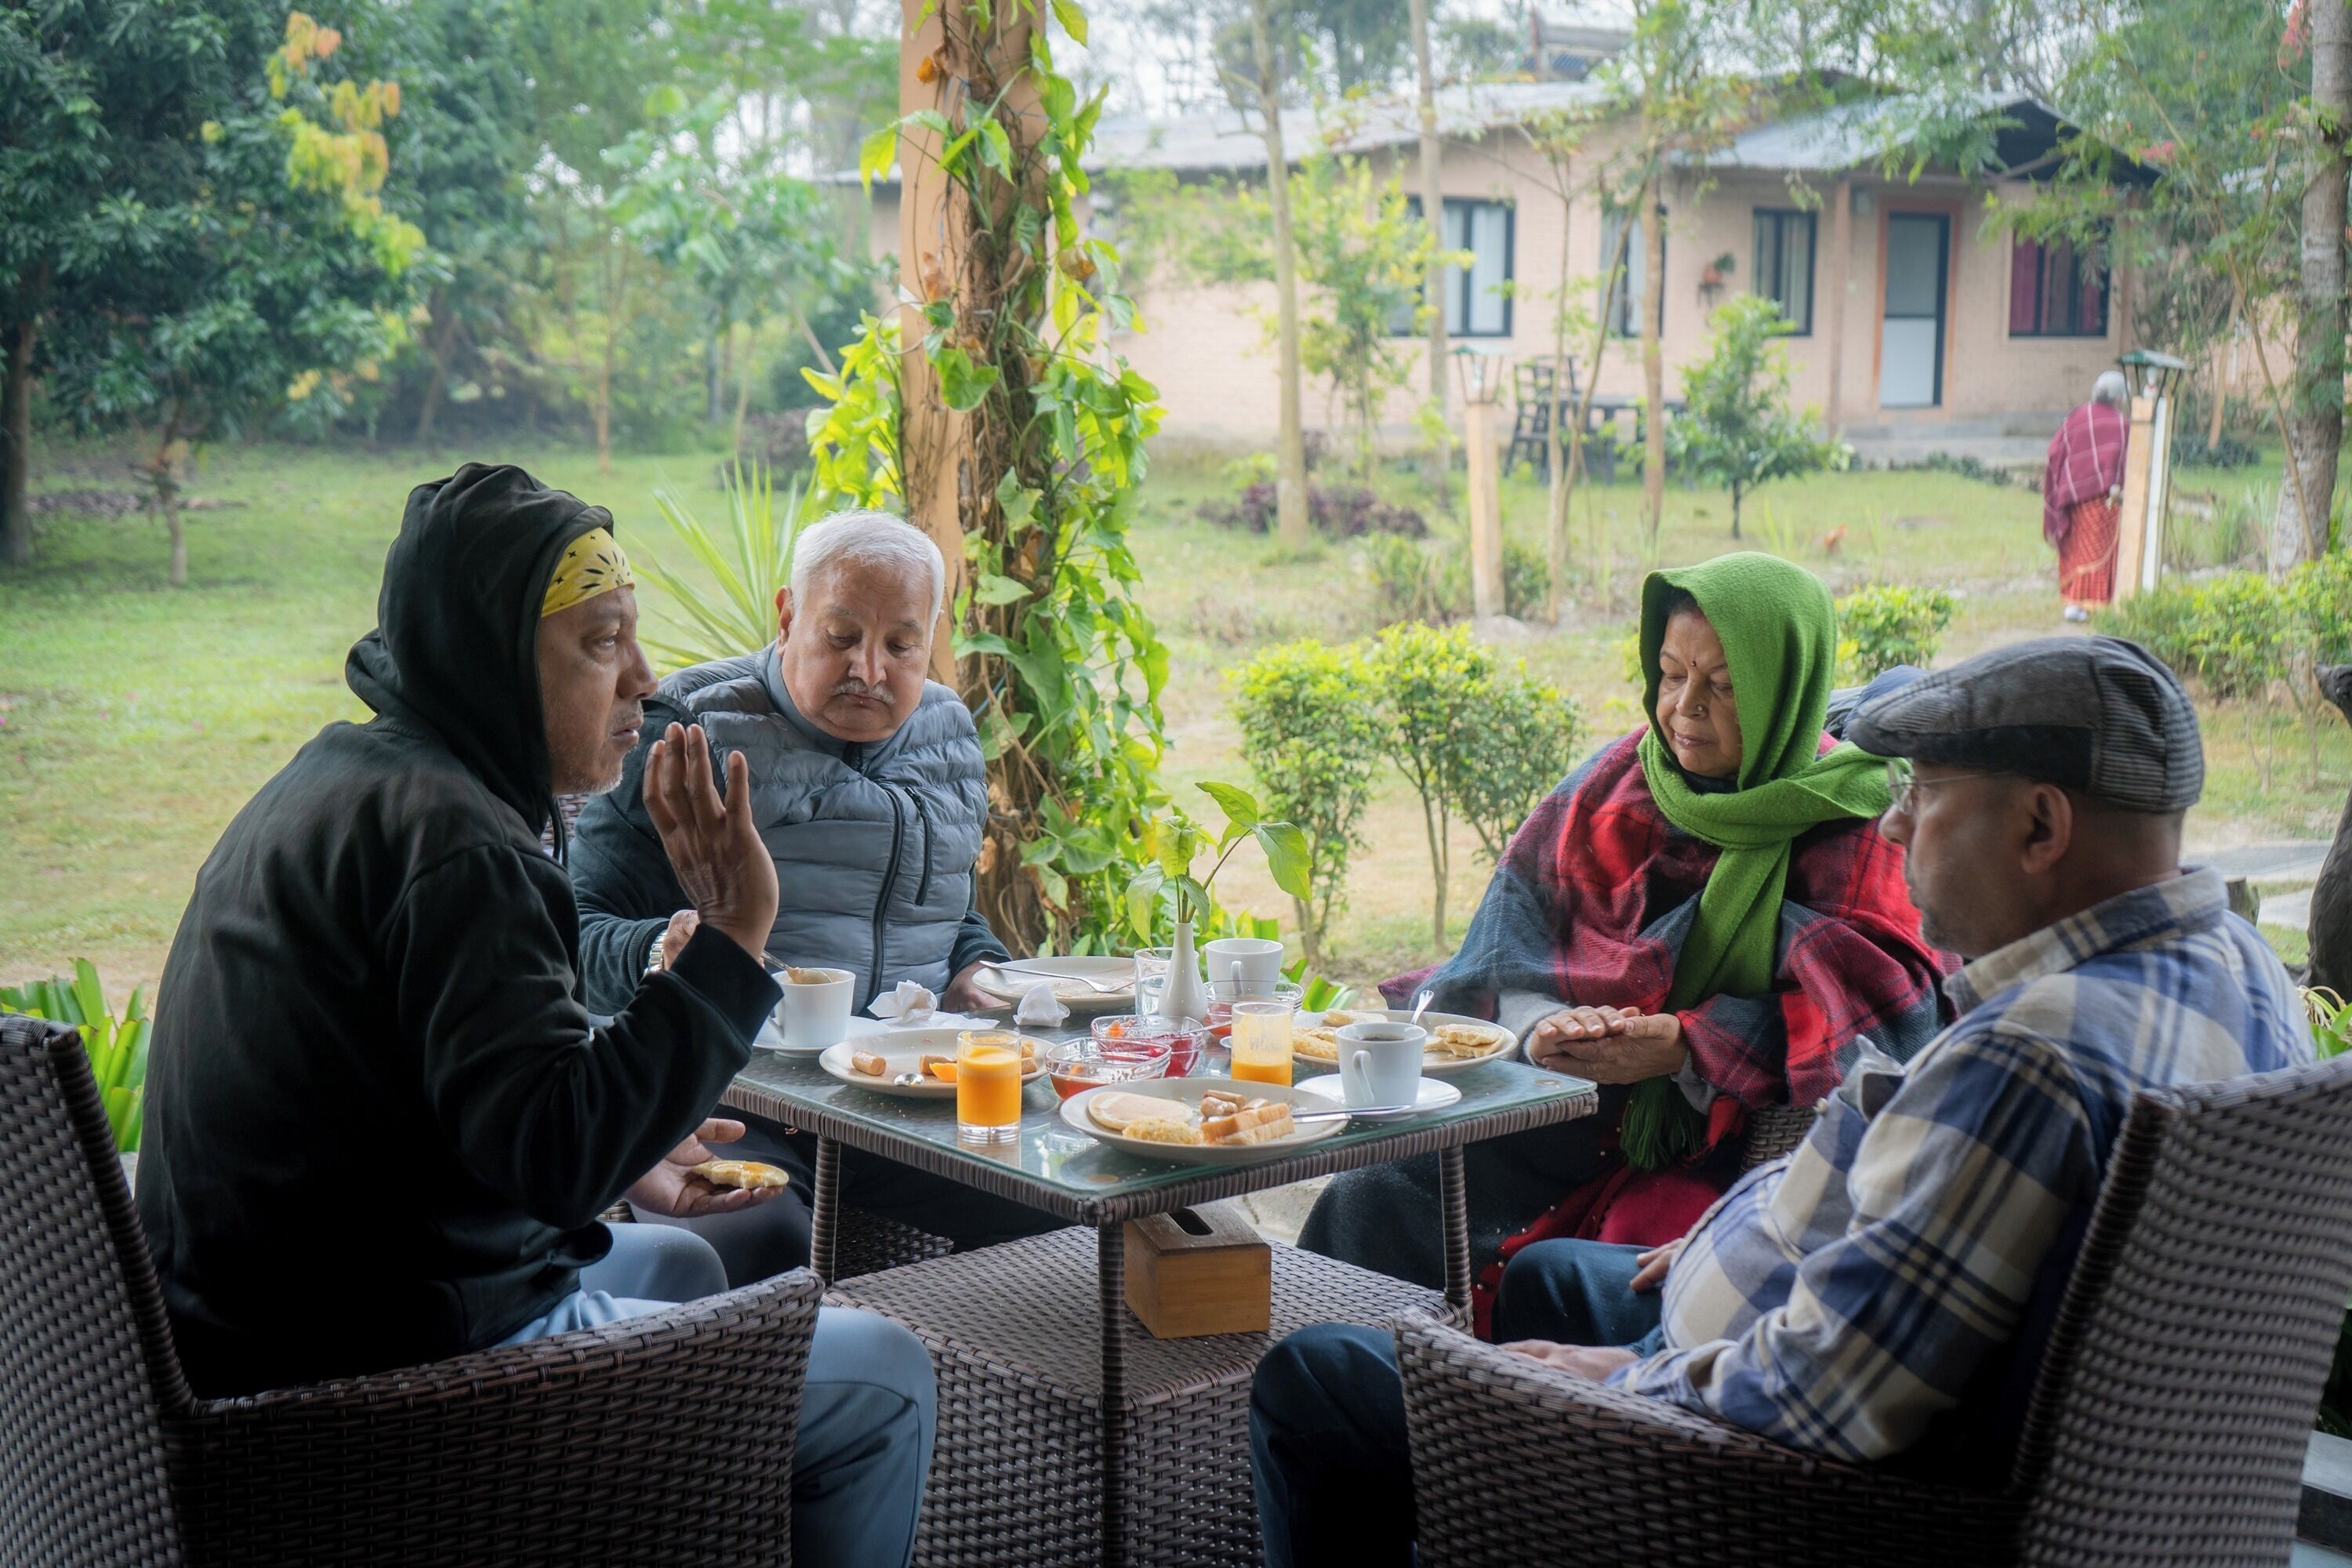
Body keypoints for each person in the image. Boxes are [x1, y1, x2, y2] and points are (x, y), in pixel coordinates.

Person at [1250, 634, 2314, 1567]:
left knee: (1315, 1379)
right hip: (1900, 1379)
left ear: (2042, 825)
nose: (1894, 827)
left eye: (1925, 791)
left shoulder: (2036, 1059)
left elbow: (1830, 1398)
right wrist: (1734, 1231)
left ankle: (1526, 1489)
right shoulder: (2241, 969)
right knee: (1548, 1277)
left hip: (1782, 1494)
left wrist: (1614, 1381)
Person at [136, 463, 935, 1567]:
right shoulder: (459, 846)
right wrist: (740, 933)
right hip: (376, 1392)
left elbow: (457, 1103)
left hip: (266, 1335)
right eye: (603, 645)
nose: (646, 685)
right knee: (887, 1374)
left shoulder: (349, 782)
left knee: (684, 1268)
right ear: (494, 657)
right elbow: (552, 1154)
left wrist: (628, 1154)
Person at [1298, 553, 1951, 1327]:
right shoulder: (1615, 782)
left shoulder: (1859, 818)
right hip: (1554, 1110)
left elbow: (1889, 1020)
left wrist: (1687, 1043)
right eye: (1671, 673)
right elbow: (1510, 940)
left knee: (1592, 1275)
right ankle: (1376, 1417)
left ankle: (1489, 1424)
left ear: (1786, 688)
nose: (1684, 707)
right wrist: (1545, 1024)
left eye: (1724, 684)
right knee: (1369, 1196)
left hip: (1725, 1146)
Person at [568, 506, 1056, 1282]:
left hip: (914, 1098)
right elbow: (573, 932)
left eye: (902, 644)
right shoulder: (685, 730)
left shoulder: (948, 731)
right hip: (740, 1104)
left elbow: (945, 906)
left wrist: (974, 965)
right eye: (841, 637)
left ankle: (987, 1393)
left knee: (1083, 1208)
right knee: (760, 1258)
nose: (871, 668)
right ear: (789, 615)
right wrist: (664, 949)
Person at [2044, 370, 2131, 621]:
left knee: (2079, 550)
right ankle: (2082, 603)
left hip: (2072, 498)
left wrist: (2063, 484)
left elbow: (2055, 453)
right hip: (2104, 502)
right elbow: (2126, 464)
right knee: (2094, 552)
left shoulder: (2076, 417)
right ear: (2119, 397)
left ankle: (2075, 602)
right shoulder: (2122, 425)